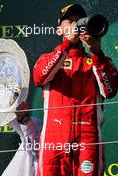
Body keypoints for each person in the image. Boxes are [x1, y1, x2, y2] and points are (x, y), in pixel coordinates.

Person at [33, 4, 118, 176]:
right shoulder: (47, 59)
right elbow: (40, 76)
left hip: (87, 142)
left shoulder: (98, 61)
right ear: (59, 30)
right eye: (70, 21)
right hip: (53, 142)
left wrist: (96, 52)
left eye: (79, 21)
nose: (75, 24)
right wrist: (66, 44)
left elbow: (110, 91)